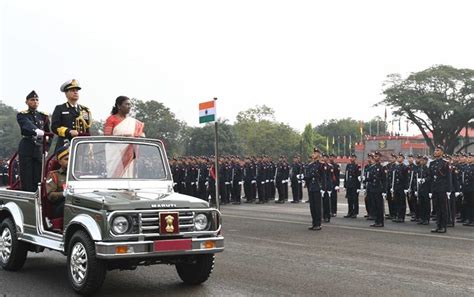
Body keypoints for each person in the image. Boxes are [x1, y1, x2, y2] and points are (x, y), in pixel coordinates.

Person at [17, 90, 51, 192]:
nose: (35, 102)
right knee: (27, 176)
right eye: (32, 100)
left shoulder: (43, 116)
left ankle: (38, 196)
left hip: (39, 148)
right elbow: (26, 124)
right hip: (27, 146)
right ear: (26, 102)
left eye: (37, 100)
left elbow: (49, 133)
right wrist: (35, 130)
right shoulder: (22, 115)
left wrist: (46, 148)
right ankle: (29, 198)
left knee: (38, 175)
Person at [51, 79, 91, 150]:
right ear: (66, 94)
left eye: (77, 91)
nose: (75, 92)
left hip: (82, 145)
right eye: (72, 90)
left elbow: (87, 130)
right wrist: (68, 131)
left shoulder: (85, 110)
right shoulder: (60, 108)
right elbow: (54, 127)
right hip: (65, 145)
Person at [429, 145, 450, 233]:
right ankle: (438, 225)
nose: (435, 152)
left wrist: (448, 190)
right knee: (436, 208)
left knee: (443, 208)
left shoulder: (445, 163)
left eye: (437, 150)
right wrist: (430, 190)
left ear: (442, 152)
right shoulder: (432, 163)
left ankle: (443, 226)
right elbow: (430, 177)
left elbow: (448, 178)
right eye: (435, 150)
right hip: (435, 189)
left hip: (442, 188)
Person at [46, 146, 69, 218]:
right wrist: (63, 194)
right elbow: (50, 195)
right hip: (59, 206)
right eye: (66, 159)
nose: (69, 161)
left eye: (72, 159)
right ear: (59, 161)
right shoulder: (54, 175)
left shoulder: (78, 174)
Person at [367, 151, 386, 227]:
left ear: (380, 158)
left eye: (377, 156)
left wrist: (384, 191)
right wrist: (364, 179)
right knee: (374, 206)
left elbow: (384, 180)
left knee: (379, 206)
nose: (375, 157)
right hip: (372, 189)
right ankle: (376, 221)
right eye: (375, 156)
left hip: (379, 189)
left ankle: (380, 222)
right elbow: (370, 178)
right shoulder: (372, 167)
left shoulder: (382, 168)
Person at [307, 148, 323, 231]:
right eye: (313, 153)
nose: (314, 154)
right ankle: (314, 223)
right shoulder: (310, 165)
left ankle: (318, 224)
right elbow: (308, 176)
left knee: (317, 207)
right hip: (311, 187)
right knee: (312, 207)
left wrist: (323, 187)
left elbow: (323, 177)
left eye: (316, 153)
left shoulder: (321, 165)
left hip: (317, 187)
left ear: (319, 155)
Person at [344, 153, 361, 218]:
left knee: (355, 200)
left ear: (355, 158)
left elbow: (358, 177)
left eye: (353, 157)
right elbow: (346, 175)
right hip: (349, 185)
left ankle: (355, 212)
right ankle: (350, 212)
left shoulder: (357, 166)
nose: (352, 158)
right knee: (349, 199)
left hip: (355, 185)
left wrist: (358, 187)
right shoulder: (348, 166)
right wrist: (345, 184)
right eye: (351, 157)